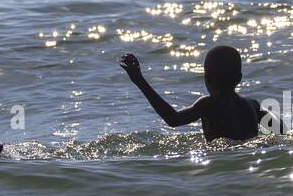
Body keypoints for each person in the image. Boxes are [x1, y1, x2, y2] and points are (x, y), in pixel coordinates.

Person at [117, 45, 283, 142]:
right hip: (250, 155)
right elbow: (280, 129)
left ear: (207, 79)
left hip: (224, 159)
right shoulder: (252, 105)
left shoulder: (208, 104)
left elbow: (173, 119)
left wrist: (139, 81)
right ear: (239, 79)